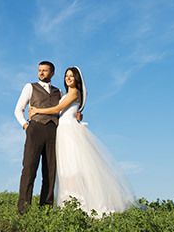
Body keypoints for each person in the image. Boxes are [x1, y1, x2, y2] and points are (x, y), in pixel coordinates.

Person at [29, 66, 135, 216]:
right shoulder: (65, 93)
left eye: (72, 76)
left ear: (77, 78)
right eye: (66, 76)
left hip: (70, 132)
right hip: (62, 131)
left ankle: (80, 204)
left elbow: (58, 108)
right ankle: (68, 203)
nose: (68, 78)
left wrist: (37, 110)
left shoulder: (74, 92)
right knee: (65, 169)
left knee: (74, 168)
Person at [14, 60, 61, 214]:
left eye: (45, 70)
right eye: (40, 70)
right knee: (29, 168)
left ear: (52, 73)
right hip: (35, 129)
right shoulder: (30, 87)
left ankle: (45, 210)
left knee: (50, 171)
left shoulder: (58, 92)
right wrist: (26, 126)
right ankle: (23, 210)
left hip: (53, 132)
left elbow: (62, 111)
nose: (41, 72)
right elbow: (18, 110)